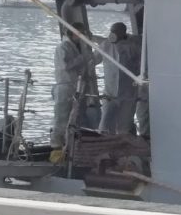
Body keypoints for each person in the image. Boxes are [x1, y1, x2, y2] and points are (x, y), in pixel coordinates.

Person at [50, 23, 95, 155]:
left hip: (76, 86)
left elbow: (89, 61)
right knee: (61, 118)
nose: (81, 36)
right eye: (79, 33)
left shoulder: (79, 47)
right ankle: (56, 148)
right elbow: (65, 66)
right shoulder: (62, 47)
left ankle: (72, 146)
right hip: (64, 86)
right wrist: (82, 58)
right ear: (71, 33)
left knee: (76, 117)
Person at [97, 22, 142, 135]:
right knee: (105, 124)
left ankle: (122, 143)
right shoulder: (105, 45)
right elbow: (93, 60)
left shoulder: (133, 47)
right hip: (109, 93)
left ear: (123, 33)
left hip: (128, 93)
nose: (113, 34)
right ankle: (104, 142)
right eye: (112, 31)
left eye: (116, 31)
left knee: (124, 125)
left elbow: (141, 66)